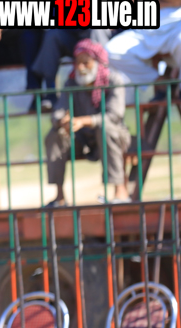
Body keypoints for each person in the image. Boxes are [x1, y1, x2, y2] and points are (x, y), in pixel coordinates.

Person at [44, 40, 132, 206]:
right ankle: (59, 196)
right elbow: (58, 111)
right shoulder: (71, 83)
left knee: (106, 129)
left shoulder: (113, 80)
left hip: (113, 136)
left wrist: (84, 121)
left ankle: (120, 191)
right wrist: (62, 121)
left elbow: (114, 115)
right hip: (81, 138)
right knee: (54, 135)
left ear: (97, 62)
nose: (81, 67)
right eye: (78, 63)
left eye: (86, 63)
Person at [107, 0, 181, 90]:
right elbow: (135, 2)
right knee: (111, 50)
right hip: (144, 30)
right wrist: (167, 0)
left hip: (175, 28)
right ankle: (162, 85)